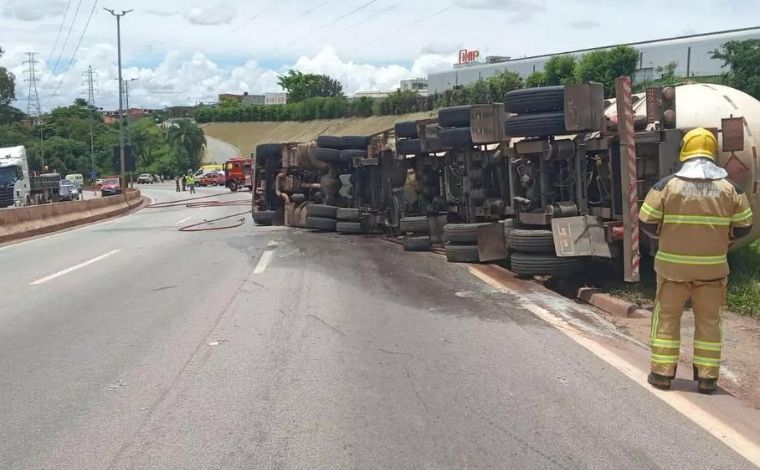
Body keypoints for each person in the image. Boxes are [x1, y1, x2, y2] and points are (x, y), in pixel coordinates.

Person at [639, 128, 753, 394]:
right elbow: (745, 226)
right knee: (709, 322)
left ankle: (662, 374)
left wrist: (663, 236)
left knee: (666, 318)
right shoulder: (731, 189)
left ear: (684, 151)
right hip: (712, 270)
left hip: (671, 269)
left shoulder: (666, 186)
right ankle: (707, 379)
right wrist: (722, 242)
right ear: (714, 152)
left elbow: (646, 220)